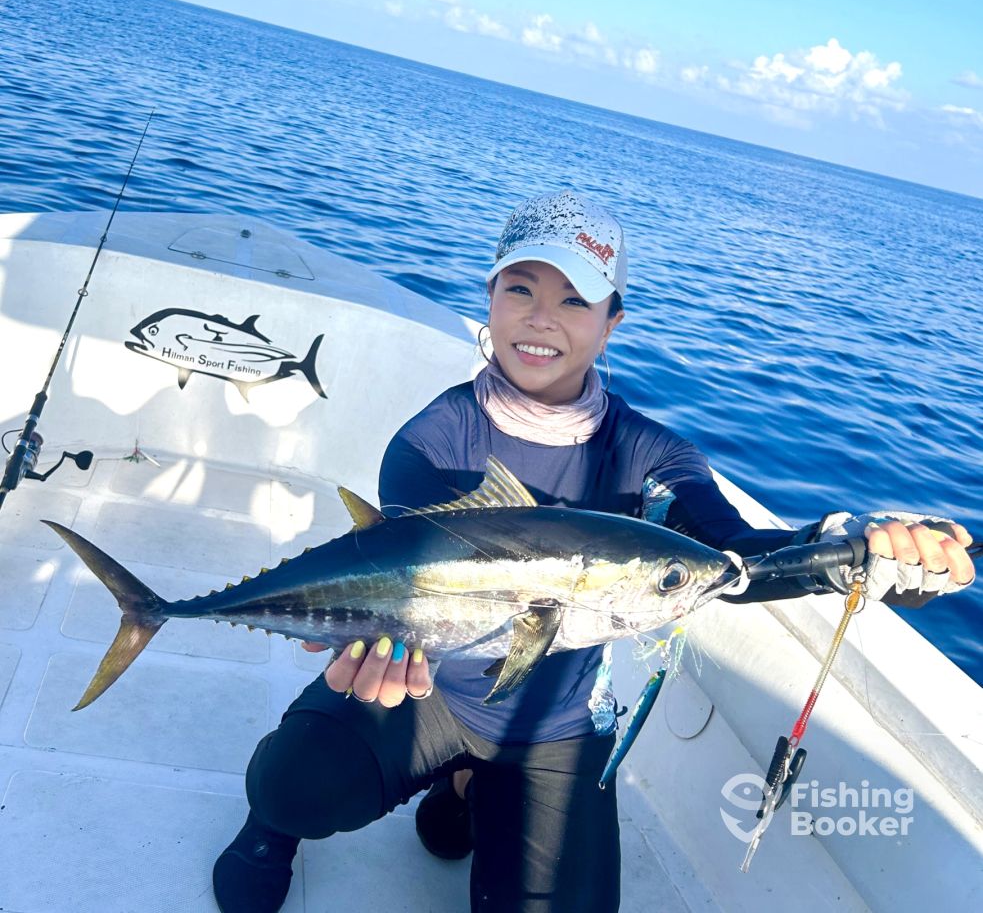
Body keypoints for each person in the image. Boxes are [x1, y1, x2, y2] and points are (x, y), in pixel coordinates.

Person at [212, 192, 975, 913]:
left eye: (574, 299)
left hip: (556, 728)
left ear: (612, 322)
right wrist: (376, 643)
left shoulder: (649, 454)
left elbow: (731, 554)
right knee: (294, 785)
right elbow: (408, 580)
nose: (541, 318)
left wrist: (851, 550)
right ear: (489, 298)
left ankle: (466, 790)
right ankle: (279, 824)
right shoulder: (430, 442)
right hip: (430, 692)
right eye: (520, 289)